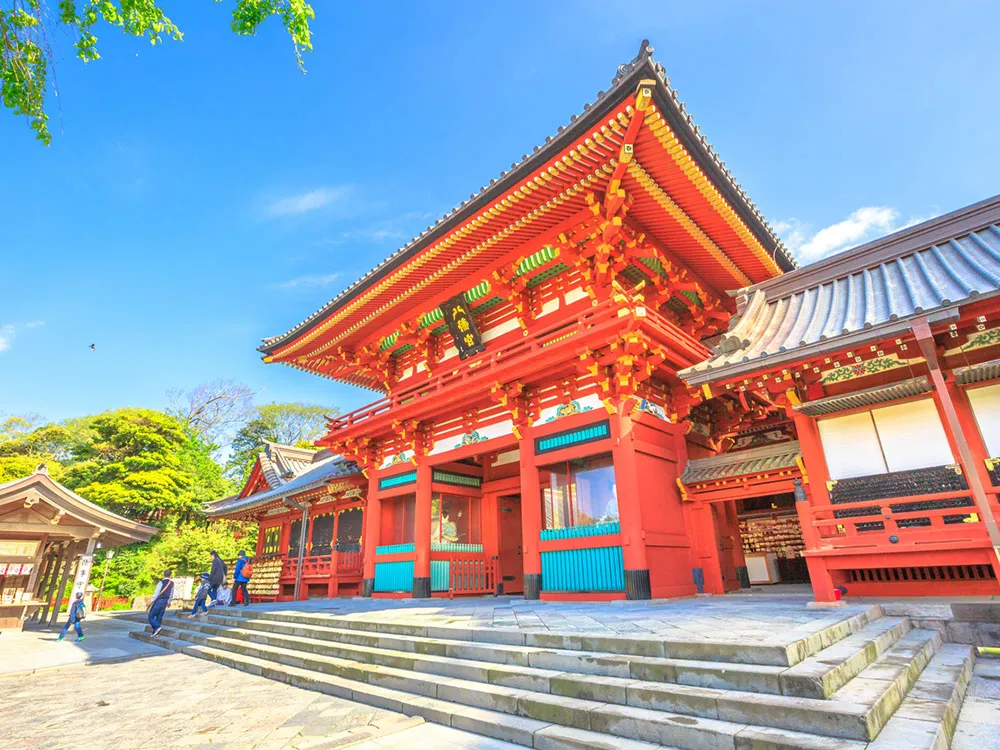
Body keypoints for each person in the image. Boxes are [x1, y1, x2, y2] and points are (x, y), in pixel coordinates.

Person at [148, 569, 174, 637]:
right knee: (159, 617)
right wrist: (169, 601)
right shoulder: (171, 583)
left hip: (159, 600)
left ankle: (157, 627)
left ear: (163, 574)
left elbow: (156, 593)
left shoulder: (161, 582)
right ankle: (155, 633)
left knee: (151, 616)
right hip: (165, 601)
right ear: (170, 575)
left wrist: (151, 601)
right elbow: (171, 593)